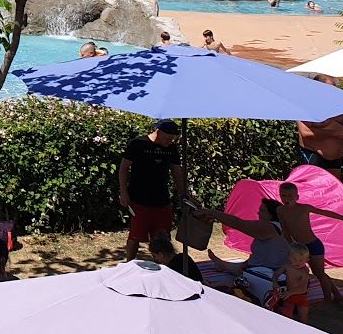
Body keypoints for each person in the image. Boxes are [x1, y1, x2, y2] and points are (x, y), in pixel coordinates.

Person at [200, 198, 292, 304]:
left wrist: (212, 212)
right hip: (272, 265)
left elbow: (237, 223)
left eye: (262, 211)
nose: (258, 213)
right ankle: (224, 265)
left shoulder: (269, 227)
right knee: (243, 265)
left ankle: (223, 271)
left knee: (235, 283)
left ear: (271, 214)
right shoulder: (280, 227)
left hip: (268, 270)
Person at [118, 119, 185, 260]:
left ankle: (163, 265)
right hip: (138, 199)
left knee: (162, 236)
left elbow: (177, 172)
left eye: (172, 140)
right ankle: (129, 264)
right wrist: (123, 192)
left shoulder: (171, 148)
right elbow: (124, 168)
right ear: (158, 132)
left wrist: (182, 193)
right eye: (167, 138)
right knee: (135, 235)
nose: (169, 142)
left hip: (162, 200)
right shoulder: (138, 144)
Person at [276, 180, 343, 306]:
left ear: (297, 197)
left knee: (319, 273)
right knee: (316, 272)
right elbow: (285, 230)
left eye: (290, 196)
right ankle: (337, 296)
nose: (286, 199)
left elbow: (324, 212)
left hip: (313, 244)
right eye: (283, 195)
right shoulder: (280, 210)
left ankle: (328, 300)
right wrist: (290, 246)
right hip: (299, 247)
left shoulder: (304, 208)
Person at [268, 242, 314, 322]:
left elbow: (303, 289)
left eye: (301, 260)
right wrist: (275, 283)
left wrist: (290, 292)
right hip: (288, 296)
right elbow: (276, 274)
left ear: (307, 260)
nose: (298, 262)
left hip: (300, 297)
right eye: (294, 259)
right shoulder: (287, 266)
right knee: (287, 317)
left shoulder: (304, 270)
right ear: (289, 257)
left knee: (303, 320)